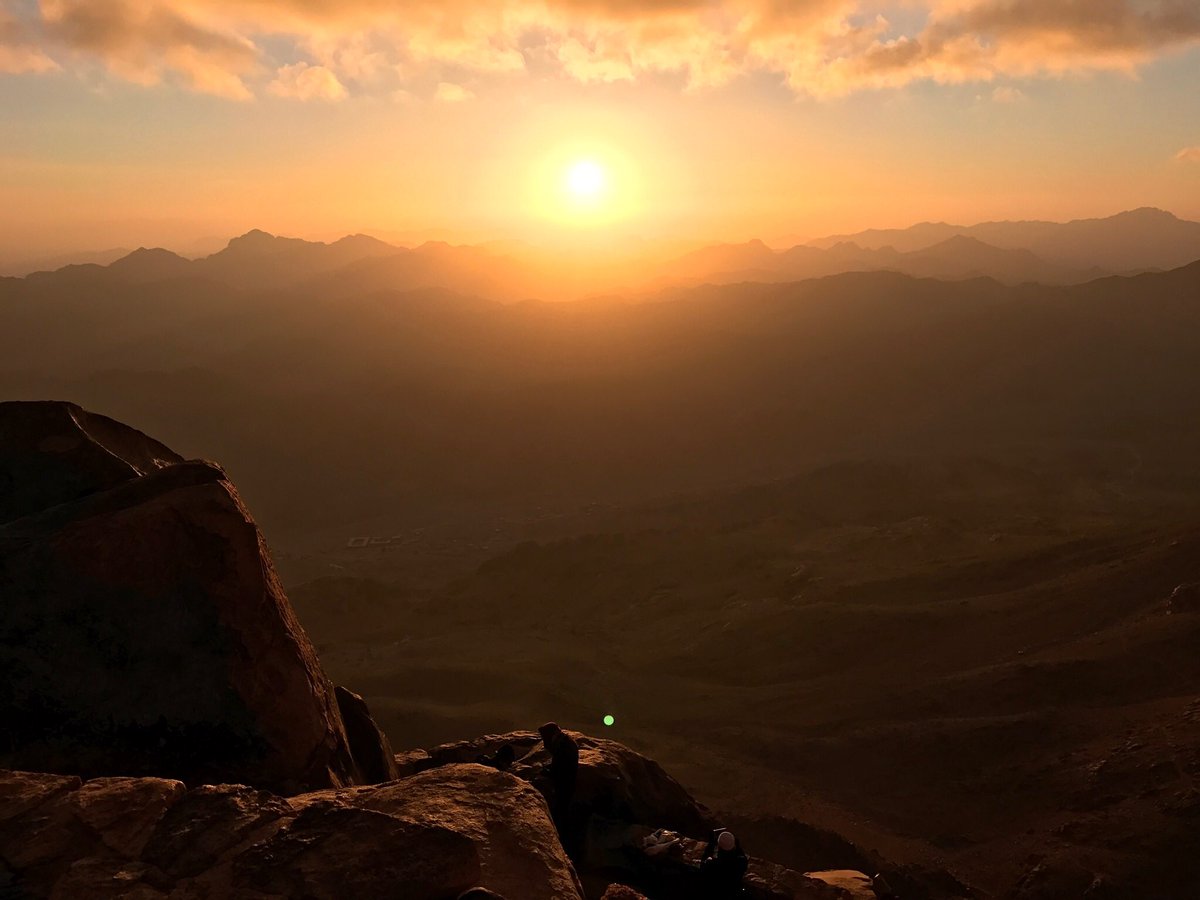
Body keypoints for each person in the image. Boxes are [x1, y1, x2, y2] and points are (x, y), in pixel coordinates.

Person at [537, 722, 579, 830]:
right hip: (566, 785)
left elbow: (561, 769)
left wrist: (547, 772)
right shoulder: (565, 743)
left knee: (560, 813)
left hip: (564, 786)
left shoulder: (563, 746)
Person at [699, 828, 749, 898]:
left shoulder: (713, 864)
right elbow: (741, 855)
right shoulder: (741, 862)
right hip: (732, 893)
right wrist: (735, 843)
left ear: (719, 848)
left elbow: (702, 865)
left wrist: (711, 844)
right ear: (734, 846)